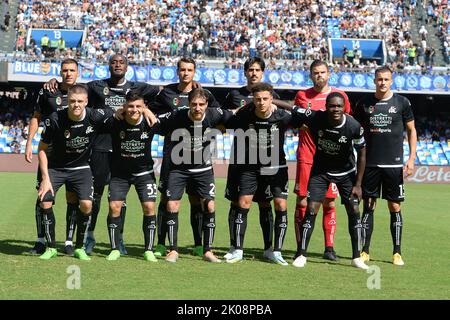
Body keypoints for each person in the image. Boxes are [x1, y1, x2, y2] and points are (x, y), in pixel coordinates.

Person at [45, 54, 161, 255]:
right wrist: (55, 81)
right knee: (95, 195)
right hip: (99, 147)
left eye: (121, 62)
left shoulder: (138, 87)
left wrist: (148, 109)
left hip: (122, 149)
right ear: (108, 66)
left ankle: (119, 239)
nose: (117, 65)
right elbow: (74, 90)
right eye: (113, 62)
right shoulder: (96, 85)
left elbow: (164, 93)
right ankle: (89, 236)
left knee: (119, 199)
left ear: (127, 67)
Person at [222, 57, 291, 261]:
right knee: (237, 202)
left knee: (265, 203)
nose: (253, 73)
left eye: (257, 69)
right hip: (241, 158)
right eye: (250, 69)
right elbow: (225, 117)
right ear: (245, 72)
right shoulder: (234, 94)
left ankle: (270, 248)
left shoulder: (273, 97)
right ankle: (235, 247)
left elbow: (287, 118)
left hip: (269, 160)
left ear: (262, 72)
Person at [151, 57, 219, 258]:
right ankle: (163, 243)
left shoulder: (204, 94)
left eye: (189, 70)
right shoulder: (167, 93)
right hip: (173, 156)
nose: (186, 73)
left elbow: (216, 115)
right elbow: (153, 115)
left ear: (194, 72)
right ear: (177, 71)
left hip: (198, 157)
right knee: (167, 199)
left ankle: (200, 243)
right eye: (182, 69)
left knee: (197, 199)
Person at [291, 92, 368, 270]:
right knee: (311, 209)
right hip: (321, 171)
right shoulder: (317, 117)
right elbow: (294, 108)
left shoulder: (354, 126)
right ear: (326, 106)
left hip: (346, 172)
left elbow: (362, 154)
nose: (335, 109)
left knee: (354, 209)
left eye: (339, 106)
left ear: (344, 108)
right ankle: (302, 254)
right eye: (332, 106)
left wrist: (358, 184)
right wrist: (271, 100)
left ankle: (356, 257)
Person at [37, 84, 113, 260]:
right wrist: (46, 179)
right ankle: (51, 247)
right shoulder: (55, 119)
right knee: (45, 201)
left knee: (87, 205)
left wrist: (145, 111)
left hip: (81, 168)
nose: (76, 105)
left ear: (86, 102)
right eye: (72, 101)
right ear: (67, 102)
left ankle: (79, 246)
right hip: (56, 168)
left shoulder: (95, 115)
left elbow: (119, 112)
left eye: (80, 101)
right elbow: (41, 149)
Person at [158, 88, 234, 263]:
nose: (197, 108)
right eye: (194, 104)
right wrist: (146, 110)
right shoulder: (177, 116)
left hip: (203, 170)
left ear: (207, 105)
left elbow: (237, 116)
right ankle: (173, 250)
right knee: (172, 205)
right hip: (179, 169)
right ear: (188, 104)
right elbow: (155, 123)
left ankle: (208, 250)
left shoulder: (215, 115)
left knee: (210, 206)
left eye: (201, 104)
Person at [353, 66, 417, 266]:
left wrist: (411, 158)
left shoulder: (402, 103)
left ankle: (397, 252)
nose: (382, 82)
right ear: (374, 80)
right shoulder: (364, 104)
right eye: (379, 79)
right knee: (368, 206)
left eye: (386, 79)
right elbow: (355, 130)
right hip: (370, 164)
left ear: (392, 81)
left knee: (394, 205)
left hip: (393, 164)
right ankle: (365, 251)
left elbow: (411, 130)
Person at [293, 60, 351, 261]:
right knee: (302, 202)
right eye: (315, 72)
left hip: (330, 160)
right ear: (310, 75)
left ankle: (329, 248)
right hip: (306, 157)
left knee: (329, 202)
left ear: (329, 74)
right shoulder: (302, 96)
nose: (319, 75)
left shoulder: (339, 97)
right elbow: (296, 120)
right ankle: (301, 248)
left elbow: (345, 125)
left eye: (323, 72)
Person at [25, 58, 81, 256]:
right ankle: (41, 240)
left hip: (75, 153)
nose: (68, 73)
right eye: (65, 70)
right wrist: (29, 142)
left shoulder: (85, 91)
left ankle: (68, 241)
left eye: (72, 70)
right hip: (48, 152)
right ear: (61, 72)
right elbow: (36, 116)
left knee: (72, 197)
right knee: (43, 196)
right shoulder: (48, 91)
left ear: (78, 72)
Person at [103, 93, 159, 261]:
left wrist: (150, 113)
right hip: (120, 174)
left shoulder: (151, 123)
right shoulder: (115, 122)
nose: (134, 110)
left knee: (149, 208)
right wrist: (114, 112)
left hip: (144, 173)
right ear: (125, 107)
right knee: (114, 207)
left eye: (138, 106)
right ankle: (115, 248)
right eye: (131, 106)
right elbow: (97, 119)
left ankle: (148, 249)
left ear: (143, 107)